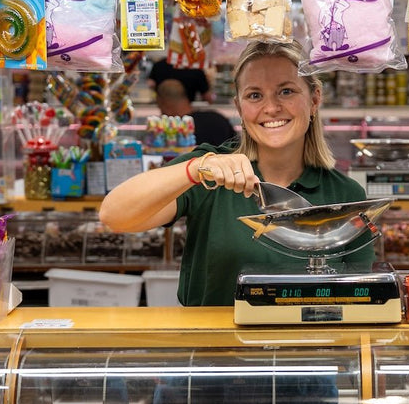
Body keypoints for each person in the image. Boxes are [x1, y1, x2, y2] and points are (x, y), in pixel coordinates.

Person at [101, 39, 374, 306]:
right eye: (255, 95)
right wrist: (193, 169)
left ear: (314, 99)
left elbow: (360, 302)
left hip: (311, 347)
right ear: (239, 107)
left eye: (286, 91)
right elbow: (115, 217)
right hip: (216, 349)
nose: (270, 108)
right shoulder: (209, 172)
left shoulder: (346, 194)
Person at [155, 78, 237, 147]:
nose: (161, 114)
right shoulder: (217, 118)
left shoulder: (175, 132)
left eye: (160, 107)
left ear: (165, 104)